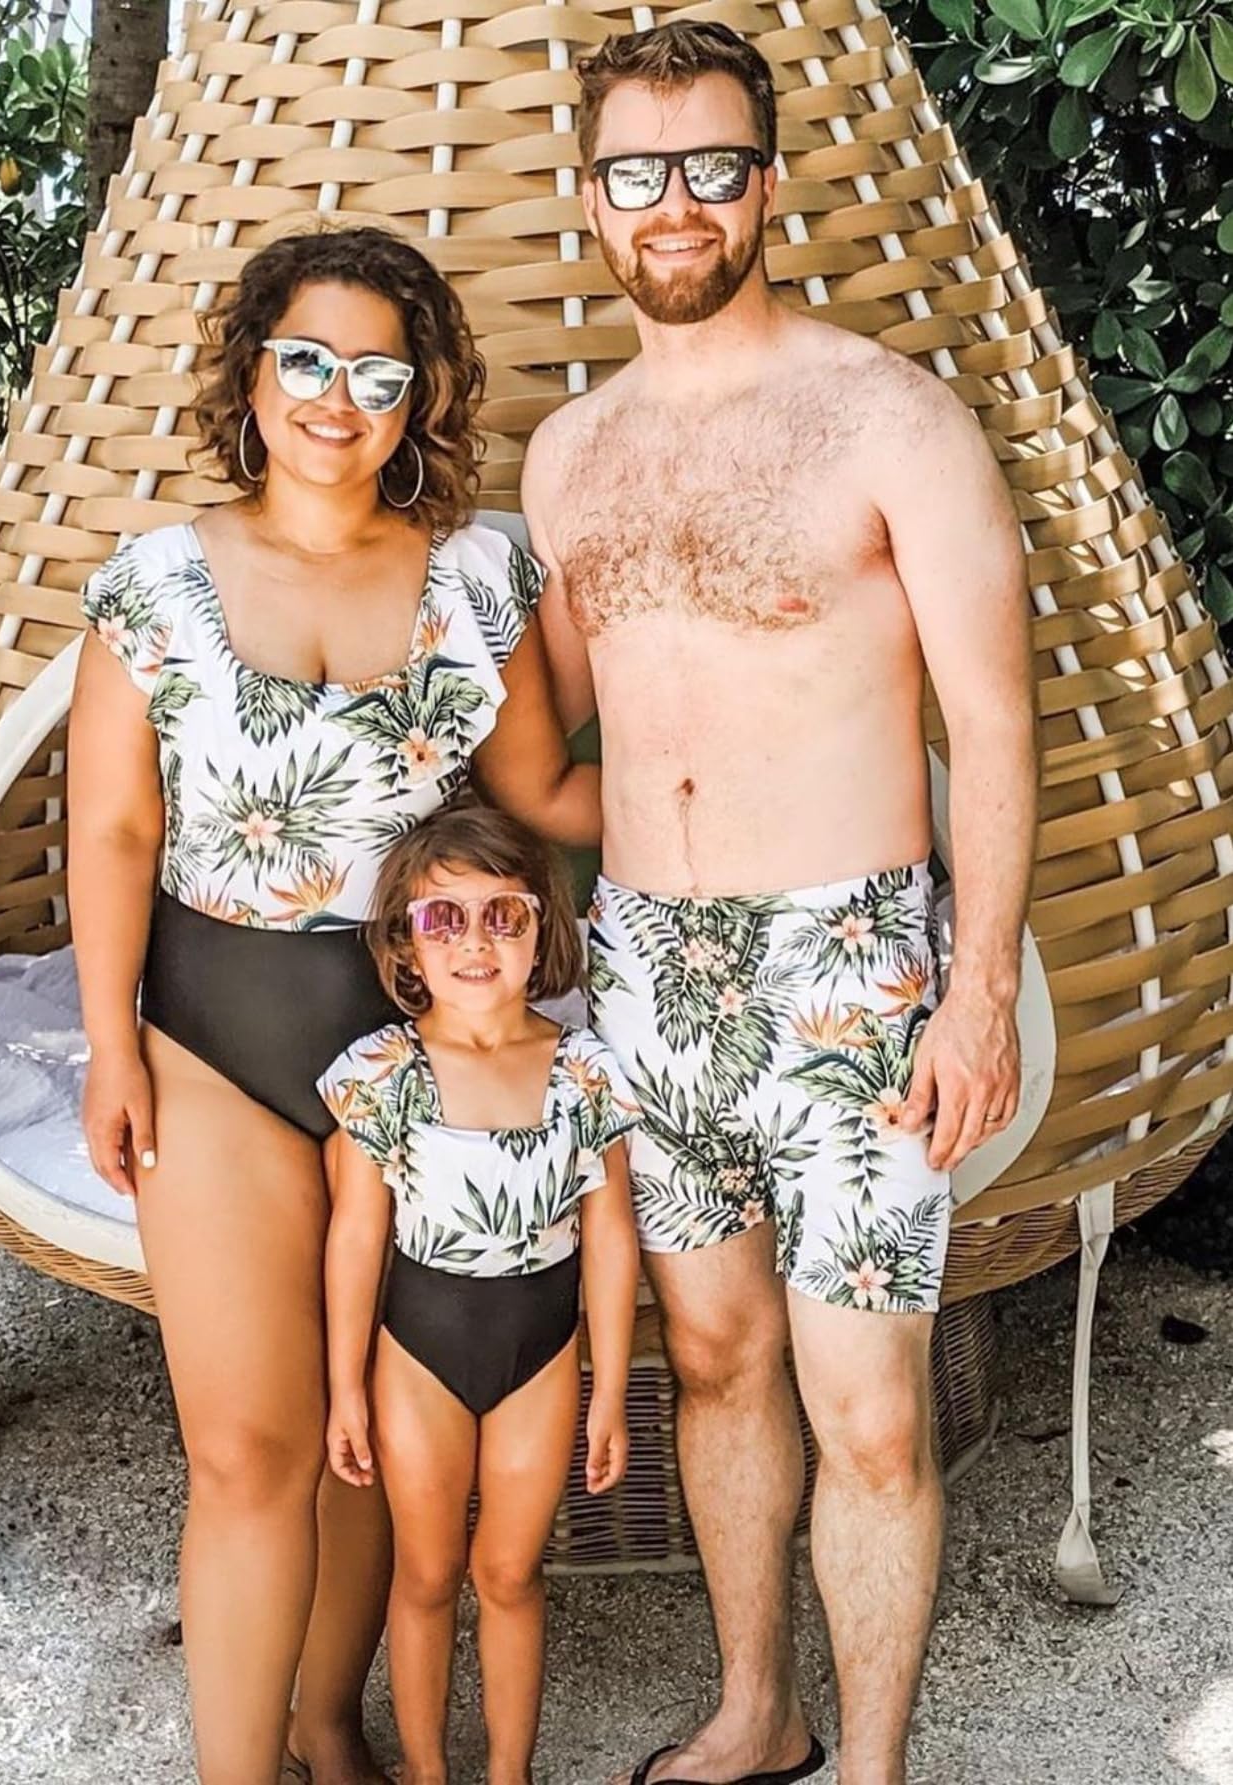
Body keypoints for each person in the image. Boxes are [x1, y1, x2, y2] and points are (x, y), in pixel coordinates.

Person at [520, 22, 1037, 1785]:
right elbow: (569, 730)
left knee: (872, 1408)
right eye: (636, 170)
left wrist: (974, 992)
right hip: (649, 969)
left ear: (765, 182)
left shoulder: (890, 417)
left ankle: (871, 1770)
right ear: (593, 197)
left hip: (847, 971)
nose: (674, 203)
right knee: (720, 1360)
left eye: (710, 165)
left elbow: (994, 722)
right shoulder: (568, 456)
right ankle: (759, 1711)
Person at [67, 225, 597, 1785]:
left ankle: (325, 1722)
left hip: (412, 1060)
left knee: (366, 1429)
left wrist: (735, 793)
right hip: (211, 1038)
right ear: (251, 373)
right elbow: (113, 832)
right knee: (252, 1446)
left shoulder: (478, 576)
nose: (334, 396)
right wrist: (108, 1045)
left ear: (418, 397)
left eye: (378, 371)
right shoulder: (156, 584)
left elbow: (543, 796)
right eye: (305, 357)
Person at [320, 806, 640, 1785]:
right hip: (417, 1352)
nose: (473, 942)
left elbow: (609, 1234)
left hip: (539, 1353)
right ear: (405, 943)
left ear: (543, 928)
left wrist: (611, 1387)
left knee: (507, 1572)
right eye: (442, 918)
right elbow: (355, 1237)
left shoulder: (583, 1071)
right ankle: (426, 1771)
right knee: (424, 1574)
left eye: (503, 915)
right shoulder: (383, 1075)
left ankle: (509, 1772)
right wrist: (345, 1387)